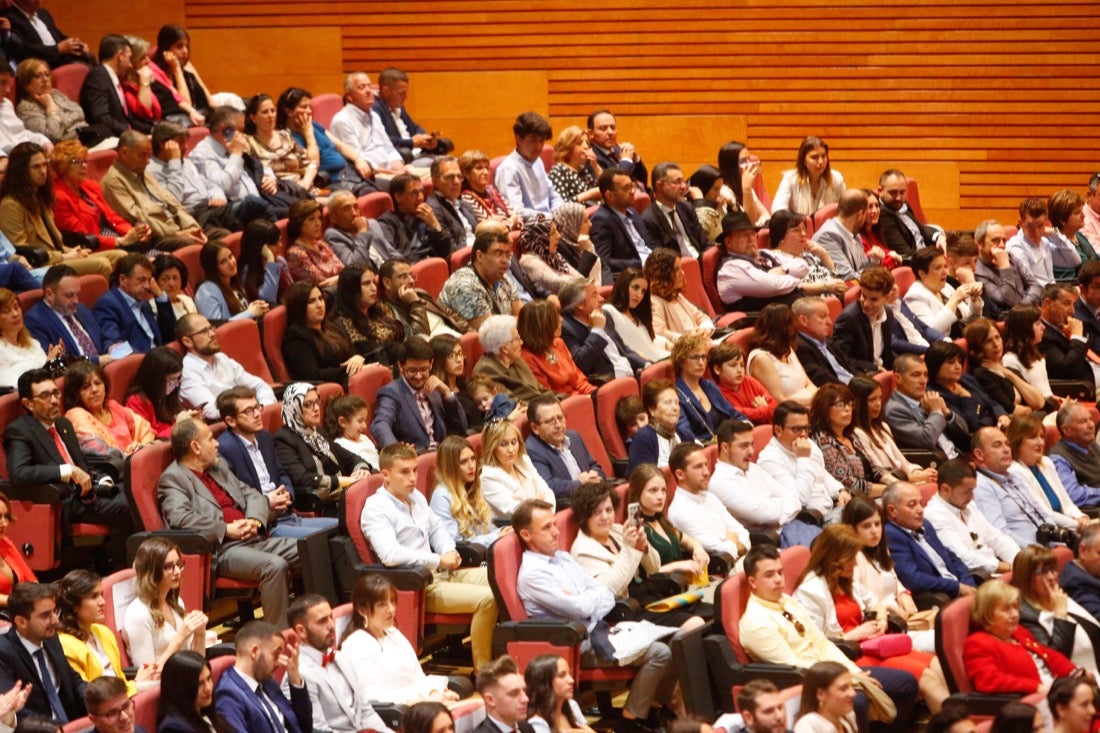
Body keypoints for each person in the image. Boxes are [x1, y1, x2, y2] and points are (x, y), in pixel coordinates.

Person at [513, 499, 678, 730]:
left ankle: (648, 709)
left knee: (675, 639)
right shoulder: (532, 574)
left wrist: (586, 600)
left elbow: (604, 592)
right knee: (661, 652)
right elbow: (582, 607)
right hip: (574, 643)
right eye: (546, 528)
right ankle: (631, 721)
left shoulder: (563, 557)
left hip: (598, 628)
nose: (555, 532)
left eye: (554, 524)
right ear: (526, 535)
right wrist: (588, 601)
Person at [738, 544, 919, 730]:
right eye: (769, 575)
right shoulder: (756, 622)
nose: (778, 580)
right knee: (857, 702)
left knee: (906, 682)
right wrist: (847, 680)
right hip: (811, 683)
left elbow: (822, 643)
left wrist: (852, 671)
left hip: (832, 671)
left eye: (780, 572)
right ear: (752, 582)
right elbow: (794, 668)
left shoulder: (786, 601)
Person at [361, 443, 498, 669]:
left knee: (503, 579)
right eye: (404, 472)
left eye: (415, 470)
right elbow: (390, 555)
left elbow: (437, 528)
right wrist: (437, 559)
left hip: (445, 572)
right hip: (418, 586)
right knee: (489, 599)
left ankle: (504, 656)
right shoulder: (376, 509)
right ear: (385, 475)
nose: (413, 477)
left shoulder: (416, 497)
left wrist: (447, 549)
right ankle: (484, 671)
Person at [791, 525, 949, 711]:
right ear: (834, 558)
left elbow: (875, 603)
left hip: (874, 646)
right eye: (851, 559)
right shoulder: (810, 592)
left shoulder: (845, 581)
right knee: (928, 678)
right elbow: (816, 643)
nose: (855, 564)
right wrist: (854, 634)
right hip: (851, 655)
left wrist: (882, 620)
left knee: (939, 665)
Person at [159, 418, 299, 628]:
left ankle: (311, 621)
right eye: (210, 439)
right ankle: (277, 639)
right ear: (195, 447)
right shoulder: (173, 479)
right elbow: (180, 518)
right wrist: (226, 529)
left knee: (309, 548)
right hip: (222, 549)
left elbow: (251, 494)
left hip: (253, 537)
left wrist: (254, 519)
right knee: (274, 566)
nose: (217, 443)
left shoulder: (218, 466)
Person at [4, 368, 133, 566]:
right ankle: (119, 568)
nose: (55, 400)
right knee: (127, 506)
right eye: (45, 396)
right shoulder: (20, 431)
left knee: (135, 492)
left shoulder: (63, 423)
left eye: (56, 393)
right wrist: (66, 471)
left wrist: (99, 478)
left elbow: (80, 461)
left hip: (87, 492)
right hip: (64, 501)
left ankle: (118, 561)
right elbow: (20, 473)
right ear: (28, 404)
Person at [572, 480, 708, 628]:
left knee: (713, 611)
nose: (605, 517)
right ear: (584, 516)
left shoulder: (617, 531)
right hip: (629, 610)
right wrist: (630, 548)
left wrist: (644, 547)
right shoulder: (583, 549)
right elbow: (609, 590)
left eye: (609, 510)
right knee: (695, 623)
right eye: (597, 512)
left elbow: (654, 568)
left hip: (651, 596)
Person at [218, 386, 339, 539]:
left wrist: (287, 494)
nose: (257, 414)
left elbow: (281, 473)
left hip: (288, 515)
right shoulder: (225, 449)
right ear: (230, 420)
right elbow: (234, 496)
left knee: (344, 527)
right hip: (266, 524)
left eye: (257, 407)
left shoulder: (264, 437)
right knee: (322, 540)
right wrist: (268, 502)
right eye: (248, 411)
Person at [337, 575, 464, 708]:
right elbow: (370, 697)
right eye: (382, 604)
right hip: (396, 712)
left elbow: (418, 677)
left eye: (392, 601)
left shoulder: (394, 633)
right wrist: (421, 702)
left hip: (421, 703)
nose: (391, 609)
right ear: (362, 610)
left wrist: (434, 693)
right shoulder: (355, 645)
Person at [1, 142, 121, 276]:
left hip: (60, 256)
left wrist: (73, 252)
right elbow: (22, 251)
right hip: (42, 265)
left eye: (44, 165)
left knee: (120, 257)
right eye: (36, 167)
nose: (43, 171)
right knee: (101, 264)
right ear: (20, 171)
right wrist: (64, 257)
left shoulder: (41, 197)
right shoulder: (11, 205)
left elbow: (56, 243)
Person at [287, 593, 393, 733]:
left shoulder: (341, 657)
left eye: (331, 617)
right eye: (322, 621)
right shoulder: (300, 675)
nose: (331, 625)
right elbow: (318, 730)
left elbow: (365, 710)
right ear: (301, 631)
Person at [842, 497, 930, 649]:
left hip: (903, 619)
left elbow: (892, 579)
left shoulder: (880, 550)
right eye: (866, 526)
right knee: (944, 640)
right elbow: (861, 605)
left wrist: (904, 594)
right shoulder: (853, 559)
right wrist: (890, 608)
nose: (875, 531)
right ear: (852, 529)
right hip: (886, 627)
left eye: (877, 524)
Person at [962, 579, 1078, 694]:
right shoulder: (977, 643)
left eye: (1015, 607)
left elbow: (1048, 654)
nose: (1014, 614)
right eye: (1006, 609)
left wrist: (1073, 672)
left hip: (1053, 689)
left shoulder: (1018, 632)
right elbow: (989, 681)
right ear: (987, 613)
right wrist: (1036, 688)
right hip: (1030, 701)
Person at [707, 419, 810, 547]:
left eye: (751, 444)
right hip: (771, 541)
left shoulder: (753, 468)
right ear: (725, 448)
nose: (751, 451)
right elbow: (766, 516)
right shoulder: (720, 483)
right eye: (744, 446)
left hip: (793, 527)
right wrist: (778, 508)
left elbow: (793, 497)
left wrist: (776, 511)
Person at [100, 131, 205, 250]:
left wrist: (193, 228)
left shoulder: (143, 172)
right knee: (192, 245)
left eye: (149, 156)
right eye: (143, 155)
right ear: (124, 153)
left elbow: (173, 203)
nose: (148, 161)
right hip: (155, 237)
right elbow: (139, 219)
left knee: (218, 234)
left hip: (176, 227)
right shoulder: (113, 181)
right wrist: (176, 234)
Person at [0, 582, 88, 723]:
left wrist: (98, 697)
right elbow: (14, 712)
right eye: (45, 615)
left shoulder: (50, 637)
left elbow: (72, 680)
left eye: (55, 612)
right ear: (21, 621)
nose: (55, 620)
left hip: (73, 724)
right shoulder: (3, 654)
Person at [57, 569, 156, 694]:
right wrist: (136, 685)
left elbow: (119, 678)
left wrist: (137, 682)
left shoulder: (103, 632)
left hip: (123, 698)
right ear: (74, 605)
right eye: (94, 597)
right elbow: (89, 695)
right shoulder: (65, 646)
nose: (102, 602)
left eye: (101, 594)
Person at [274, 382, 369, 506]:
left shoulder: (317, 431)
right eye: (308, 404)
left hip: (343, 495)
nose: (316, 408)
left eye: (317, 402)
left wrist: (361, 469)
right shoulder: (283, 439)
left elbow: (350, 457)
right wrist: (343, 481)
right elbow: (302, 479)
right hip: (321, 503)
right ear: (294, 407)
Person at [883, 482, 976, 607]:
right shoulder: (891, 535)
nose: (920, 510)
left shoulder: (925, 524)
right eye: (912, 505)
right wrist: (957, 587)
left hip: (958, 589)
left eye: (921, 503)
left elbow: (950, 556)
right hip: (939, 596)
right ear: (892, 510)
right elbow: (913, 579)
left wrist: (968, 583)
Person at [1010, 544, 1100, 673]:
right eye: (1042, 572)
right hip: (1078, 679)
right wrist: (1060, 615)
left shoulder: (1057, 596)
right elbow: (1052, 658)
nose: (1052, 577)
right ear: (1026, 578)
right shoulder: (1025, 616)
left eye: (1053, 569)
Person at [923, 459, 1019, 579]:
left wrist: (1018, 560)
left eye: (973, 490)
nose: (972, 496)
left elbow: (996, 538)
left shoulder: (969, 505)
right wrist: (1008, 567)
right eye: (967, 491)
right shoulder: (934, 515)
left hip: (995, 573)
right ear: (945, 489)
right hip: (973, 579)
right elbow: (962, 557)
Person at [122, 536, 207, 671]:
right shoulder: (138, 614)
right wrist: (180, 638)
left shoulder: (176, 602)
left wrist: (200, 633)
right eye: (168, 567)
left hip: (185, 678)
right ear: (151, 571)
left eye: (178, 564)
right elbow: (147, 674)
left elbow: (196, 660)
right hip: (160, 686)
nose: (178, 572)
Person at [49, 139, 151, 251]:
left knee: (162, 253)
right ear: (62, 166)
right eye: (76, 162)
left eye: (84, 161)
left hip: (117, 236)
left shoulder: (90, 186)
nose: (84, 166)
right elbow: (82, 236)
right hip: (95, 246)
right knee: (155, 260)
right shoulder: (59, 197)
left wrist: (133, 232)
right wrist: (121, 241)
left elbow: (112, 216)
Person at [212, 620, 310, 733]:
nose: (278, 663)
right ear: (254, 652)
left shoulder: (267, 682)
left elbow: (304, 726)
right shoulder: (229, 694)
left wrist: (295, 678)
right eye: (276, 654)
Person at [371, 336, 468, 450]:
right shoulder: (392, 393)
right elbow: (380, 425)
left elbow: (462, 426)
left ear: (431, 364)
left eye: (423, 369)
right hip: (417, 459)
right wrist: (397, 452)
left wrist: (447, 392)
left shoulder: (435, 387)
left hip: (442, 455)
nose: (418, 376)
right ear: (401, 366)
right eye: (412, 370)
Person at [176, 312, 275, 421]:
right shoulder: (188, 372)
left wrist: (265, 409)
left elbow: (260, 385)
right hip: (228, 426)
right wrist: (251, 410)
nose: (212, 334)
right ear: (187, 341)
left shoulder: (221, 358)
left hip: (249, 416)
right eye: (204, 331)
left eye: (211, 328)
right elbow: (212, 412)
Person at [757, 400, 845, 521]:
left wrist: (840, 491)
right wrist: (803, 458)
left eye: (806, 428)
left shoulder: (808, 444)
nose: (803, 434)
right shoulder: (770, 460)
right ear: (778, 430)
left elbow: (821, 474)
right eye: (797, 429)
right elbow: (799, 500)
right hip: (810, 519)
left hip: (832, 508)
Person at [1007, 414, 1090, 534]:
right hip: (1048, 531)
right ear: (1017, 441)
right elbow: (1044, 513)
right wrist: (1078, 525)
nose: (1040, 442)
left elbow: (1066, 502)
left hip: (1070, 527)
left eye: (1042, 436)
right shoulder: (1015, 471)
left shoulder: (1046, 463)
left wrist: (1082, 517)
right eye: (1032, 437)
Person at [666, 442, 749, 560]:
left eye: (705, 464)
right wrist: (733, 539)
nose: (706, 472)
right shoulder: (680, 511)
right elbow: (722, 552)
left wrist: (732, 542)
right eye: (698, 467)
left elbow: (744, 533)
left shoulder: (710, 497)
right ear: (680, 475)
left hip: (742, 560)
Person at [848, 376, 935, 486]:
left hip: (904, 479)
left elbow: (903, 462)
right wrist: (917, 477)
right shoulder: (857, 433)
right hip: (888, 486)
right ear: (858, 403)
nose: (878, 404)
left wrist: (919, 472)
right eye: (872, 400)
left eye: (879, 398)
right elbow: (879, 472)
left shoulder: (883, 427)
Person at [328, 72, 415, 181]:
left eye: (369, 86)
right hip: (371, 176)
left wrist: (401, 171)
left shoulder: (373, 115)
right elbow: (360, 162)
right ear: (349, 97)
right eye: (361, 87)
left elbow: (389, 149)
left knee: (435, 173)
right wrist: (396, 173)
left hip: (392, 171)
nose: (369, 91)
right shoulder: (342, 121)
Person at [882, 352, 969, 459]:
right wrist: (936, 412)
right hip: (938, 466)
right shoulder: (895, 410)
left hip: (958, 456)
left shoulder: (927, 398)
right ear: (898, 378)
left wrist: (947, 413)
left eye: (925, 375)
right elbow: (926, 440)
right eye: (916, 375)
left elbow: (965, 430)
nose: (923, 381)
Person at [62, 359, 154, 458]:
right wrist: (133, 455)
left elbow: (147, 431)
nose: (94, 390)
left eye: (98, 383)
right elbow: (103, 453)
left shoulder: (112, 406)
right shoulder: (75, 415)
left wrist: (140, 446)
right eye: (86, 387)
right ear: (76, 394)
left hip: (137, 459)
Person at [525, 394, 606, 505]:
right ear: (535, 428)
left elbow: (594, 465)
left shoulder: (574, 437)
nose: (558, 425)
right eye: (550, 421)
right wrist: (579, 483)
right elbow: (548, 485)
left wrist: (595, 475)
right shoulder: (533, 450)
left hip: (594, 497)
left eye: (560, 418)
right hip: (571, 506)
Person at [93, 253, 178, 356]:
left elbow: (170, 334)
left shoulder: (144, 303)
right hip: (141, 364)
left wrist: (160, 296)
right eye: (141, 280)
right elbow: (114, 346)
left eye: (149, 280)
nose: (147, 286)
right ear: (123, 279)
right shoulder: (108, 304)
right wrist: (147, 358)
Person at [716, 209, 801, 311]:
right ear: (728, 242)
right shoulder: (730, 268)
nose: (751, 239)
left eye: (752, 234)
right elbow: (772, 286)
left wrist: (784, 269)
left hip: (790, 310)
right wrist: (798, 281)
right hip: (767, 320)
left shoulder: (761, 253)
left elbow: (802, 265)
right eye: (744, 235)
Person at [281, 281, 362, 386]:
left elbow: (352, 353)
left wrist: (358, 358)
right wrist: (350, 370)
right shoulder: (296, 337)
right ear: (299, 306)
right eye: (311, 301)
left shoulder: (331, 326)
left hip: (350, 381)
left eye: (320, 298)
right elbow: (312, 376)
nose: (319, 305)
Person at [810, 383, 884, 497]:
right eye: (840, 405)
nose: (848, 409)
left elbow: (874, 468)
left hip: (875, 492)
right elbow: (849, 484)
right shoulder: (822, 440)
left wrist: (894, 482)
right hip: (853, 498)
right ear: (824, 408)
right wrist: (890, 490)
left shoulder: (851, 435)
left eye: (850, 404)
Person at [439, 228, 521, 330]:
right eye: (498, 254)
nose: (505, 261)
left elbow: (522, 319)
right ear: (480, 256)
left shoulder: (502, 278)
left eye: (508, 255)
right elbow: (491, 335)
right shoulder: (464, 285)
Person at [672, 332, 746, 442]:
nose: (701, 363)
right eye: (695, 357)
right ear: (681, 361)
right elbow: (684, 430)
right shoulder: (676, 394)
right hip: (703, 448)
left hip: (726, 442)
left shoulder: (709, 386)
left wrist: (745, 424)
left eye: (703, 357)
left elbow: (732, 412)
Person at [429, 435, 503, 546]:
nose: (471, 466)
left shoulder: (471, 487)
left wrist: (503, 532)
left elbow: (487, 529)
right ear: (450, 466)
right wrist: (495, 537)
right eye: (463, 462)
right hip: (468, 559)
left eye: (473, 459)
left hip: (483, 552)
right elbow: (453, 543)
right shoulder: (441, 497)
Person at [966, 317, 1046, 417]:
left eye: (997, 337)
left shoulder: (1006, 369)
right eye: (988, 341)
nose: (996, 344)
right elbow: (1011, 410)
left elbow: (1039, 402)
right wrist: (1031, 409)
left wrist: (1009, 374)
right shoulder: (981, 375)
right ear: (978, 348)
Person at [518, 299, 595, 396]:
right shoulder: (528, 358)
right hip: (564, 406)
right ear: (542, 326)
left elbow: (578, 379)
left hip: (582, 399)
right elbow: (549, 396)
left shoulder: (558, 343)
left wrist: (593, 393)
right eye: (555, 318)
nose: (561, 319)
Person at [480, 417, 555, 518]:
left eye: (514, 442)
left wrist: (530, 503)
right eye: (503, 444)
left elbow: (549, 494)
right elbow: (516, 511)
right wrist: (538, 499)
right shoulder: (488, 477)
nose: (511, 449)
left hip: (545, 520)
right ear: (492, 447)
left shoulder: (524, 461)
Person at [589, 168, 653, 285]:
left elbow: (649, 244)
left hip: (652, 269)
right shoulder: (601, 220)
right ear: (609, 196)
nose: (632, 191)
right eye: (626, 188)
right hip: (633, 276)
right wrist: (640, 263)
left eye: (632, 186)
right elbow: (603, 261)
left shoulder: (634, 213)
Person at [244, 94, 316, 196]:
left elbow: (310, 164)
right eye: (265, 112)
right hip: (280, 193)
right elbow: (252, 174)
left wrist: (306, 181)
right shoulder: (249, 142)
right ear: (253, 118)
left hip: (304, 187)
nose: (270, 116)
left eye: (272, 111)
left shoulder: (285, 135)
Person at [904, 247, 984, 338]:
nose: (945, 272)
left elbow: (969, 318)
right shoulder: (914, 297)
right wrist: (954, 300)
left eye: (945, 266)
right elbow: (932, 331)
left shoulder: (946, 287)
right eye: (938, 268)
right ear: (922, 273)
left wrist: (974, 299)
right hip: (942, 345)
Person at [494, 111, 561, 219]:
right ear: (519, 139)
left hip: (550, 222)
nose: (539, 147)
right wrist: (550, 217)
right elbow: (517, 212)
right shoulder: (508, 169)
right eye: (533, 141)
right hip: (531, 228)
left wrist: (561, 211)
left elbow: (553, 195)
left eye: (542, 141)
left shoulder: (538, 161)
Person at [747, 303, 816, 405]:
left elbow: (809, 383)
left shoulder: (787, 348)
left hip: (808, 404)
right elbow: (778, 400)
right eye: (790, 324)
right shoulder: (762, 358)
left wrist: (818, 398)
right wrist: (816, 400)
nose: (795, 329)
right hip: (789, 412)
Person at [973, 220, 1043, 321]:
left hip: (1027, 315)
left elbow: (1036, 286)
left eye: (1004, 241)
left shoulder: (1010, 257)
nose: (1001, 245)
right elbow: (1008, 301)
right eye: (995, 240)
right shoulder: (978, 272)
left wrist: (1024, 308)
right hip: (1009, 322)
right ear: (980, 244)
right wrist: (1004, 268)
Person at [472, 314, 550, 403]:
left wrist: (558, 401)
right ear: (504, 348)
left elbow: (540, 389)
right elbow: (513, 403)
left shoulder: (516, 360)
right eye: (517, 339)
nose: (521, 342)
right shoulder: (486, 371)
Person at [643, 247, 713, 344]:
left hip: (700, 343)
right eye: (676, 270)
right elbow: (659, 333)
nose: (682, 273)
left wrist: (704, 330)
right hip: (684, 350)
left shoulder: (677, 296)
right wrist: (689, 338)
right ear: (663, 274)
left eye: (681, 268)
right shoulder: (654, 301)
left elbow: (701, 317)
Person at [833, 266, 896, 374]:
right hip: (863, 375)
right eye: (864, 296)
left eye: (873, 299)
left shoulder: (888, 314)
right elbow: (841, 358)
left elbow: (887, 354)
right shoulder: (849, 318)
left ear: (887, 297)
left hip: (883, 371)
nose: (866, 303)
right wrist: (874, 368)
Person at [519, 216, 599, 299]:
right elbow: (562, 284)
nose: (559, 236)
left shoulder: (552, 256)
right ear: (540, 238)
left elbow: (579, 277)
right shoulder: (528, 261)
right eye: (553, 233)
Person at [642, 162, 708, 258]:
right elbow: (660, 258)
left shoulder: (686, 208)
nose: (684, 187)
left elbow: (704, 242)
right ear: (660, 186)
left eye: (683, 181)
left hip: (700, 261)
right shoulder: (649, 219)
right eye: (677, 182)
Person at [603, 267, 668, 362]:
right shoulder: (608, 311)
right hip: (643, 365)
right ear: (623, 286)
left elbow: (647, 343)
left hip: (660, 357)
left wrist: (667, 344)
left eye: (643, 291)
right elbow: (619, 349)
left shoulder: (637, 313)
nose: (639, 295)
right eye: (635, 288)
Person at [1039, 282, 1096, 391]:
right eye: (1066, 303)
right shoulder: (1042, 335)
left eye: (1073, 304)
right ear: (1048, 303)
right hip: (1081, 388)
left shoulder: (1064, 327)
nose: (1072, 311)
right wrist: (1077, 337)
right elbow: (1068, 370)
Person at [124, 345, 190, 439]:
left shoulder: (168, 395)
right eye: (171, 379)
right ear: (155, 379)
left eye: (178, 379)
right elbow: (147, 441)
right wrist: (178, 427)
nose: (176, 385)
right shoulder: (136, 402)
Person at [1002, 305, 1059, 411]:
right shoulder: (1010, 360)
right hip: (1038, 411)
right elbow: (1028, 399)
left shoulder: (1036, 354)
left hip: (1050, 405)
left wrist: (1060, 401)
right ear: (1024, 328)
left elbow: (1046, 392)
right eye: (1037, 323)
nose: (1043, 327)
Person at [771, 136, 845, 217]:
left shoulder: (836, 178)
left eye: (823, 156)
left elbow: (845, 209)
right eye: (814, 157)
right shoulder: (790, 178)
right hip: (800, 228)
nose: (820, 162)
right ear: (803, 161)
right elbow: (778, 210)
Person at [193, 243, 268, 323]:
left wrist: (253, 307)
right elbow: (217, 327)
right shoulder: (206, 291)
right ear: (213, 268)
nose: (231, 263)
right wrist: (250, 313)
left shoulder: (232, 282)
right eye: (223, 262)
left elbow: (239, 314)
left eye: (230, 256)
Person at [876, 170, 943, 257]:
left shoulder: (903, 204)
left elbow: (920, 229)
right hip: (918, 261)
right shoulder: (883, 214)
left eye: (902, 192)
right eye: (893, 193)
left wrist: (938, 236)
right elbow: (905, 253)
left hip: (926, 251)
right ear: (880, 191)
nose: (899, 198)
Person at [626, 378, 687, 474]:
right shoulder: (644, 438)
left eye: (676, 402)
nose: (675, 408)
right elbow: (643, 479)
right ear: (652, 409)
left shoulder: (685, 434)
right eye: (668, 403)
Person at [0, 287, 56, 389]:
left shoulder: (33, 343)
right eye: (6, 311)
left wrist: (52, 363)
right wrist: (47, 367)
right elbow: (10, 386)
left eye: (16, 307)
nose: (15, 314)